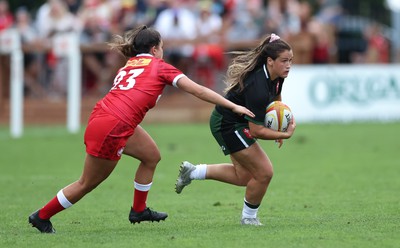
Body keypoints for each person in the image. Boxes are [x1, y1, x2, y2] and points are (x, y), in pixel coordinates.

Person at [28, 25, 254, 234]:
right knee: (87, 183)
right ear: (155, 49)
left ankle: (139, 210)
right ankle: (42, 216)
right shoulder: (159, 66)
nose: (163, 52)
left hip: (106, 117)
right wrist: (232, 104)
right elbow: (198, 90)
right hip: (115, 125)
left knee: (151, 156)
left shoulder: (129, 64)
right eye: (162, 47)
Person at [175, 33, 296, 226]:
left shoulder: (278, 75)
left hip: (236, 120)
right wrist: (284, 134)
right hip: (227, 123)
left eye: (290, 60)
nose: (288, 65)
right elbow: (256, 131)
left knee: (244, 176)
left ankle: (193, 172)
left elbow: (276, 96)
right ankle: (248, 218)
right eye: (284, 61)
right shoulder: (257, 86)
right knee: (264, 172)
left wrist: (279, 123)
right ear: (270, 61)